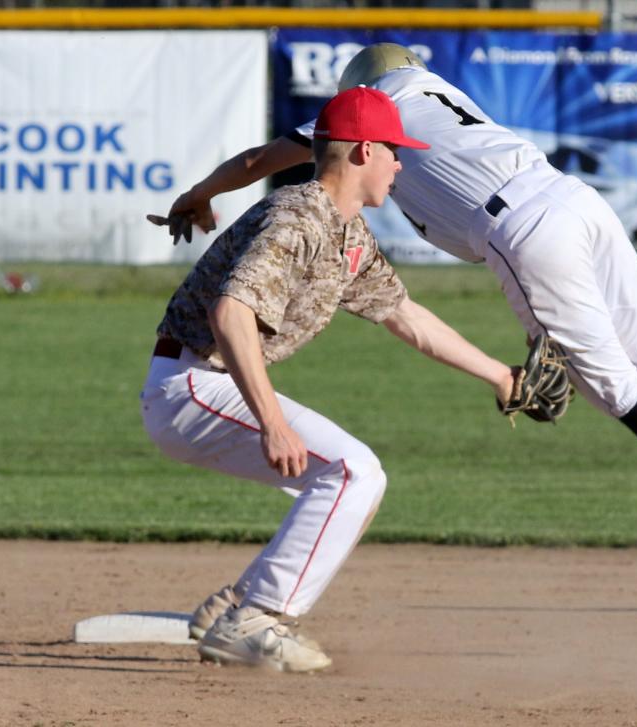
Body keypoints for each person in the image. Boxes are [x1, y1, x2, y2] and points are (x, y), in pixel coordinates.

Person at [152, 43, 637, 574]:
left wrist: (199, 193)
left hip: (520, 229)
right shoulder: (434, 88)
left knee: (618, 391)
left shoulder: (371, 110)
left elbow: (258, 160)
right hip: (573, 197)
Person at [142, 85, 516, 673]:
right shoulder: (298, 216)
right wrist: (272, 424)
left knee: (345, 490)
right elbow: (231, 313)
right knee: (352, 472)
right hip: (190, 384)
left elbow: (406, 317)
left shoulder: (346, 234)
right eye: (395, 150)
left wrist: (502, 376)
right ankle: (257, 618)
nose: (401, 163)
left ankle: (237, 607)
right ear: (364, 152)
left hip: (206, 384)